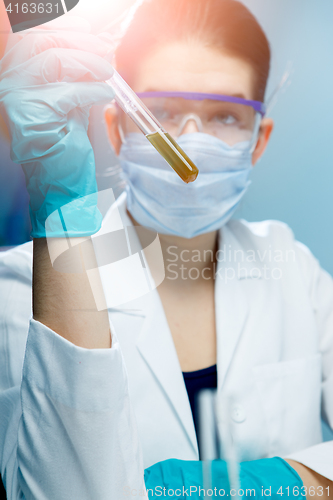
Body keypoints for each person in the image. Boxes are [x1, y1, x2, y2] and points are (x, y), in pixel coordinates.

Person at [0, 0, 332, 498]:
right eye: (163, 112)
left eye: (224, 115)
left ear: (258, 141)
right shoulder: (26, 282)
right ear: (116, 129)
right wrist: (59, 206)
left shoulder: (292, 267)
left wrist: (276, 483)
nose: (190, 144)